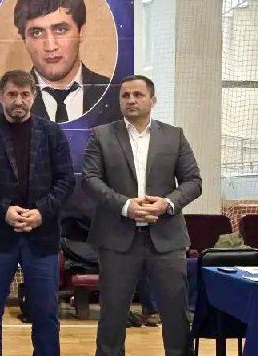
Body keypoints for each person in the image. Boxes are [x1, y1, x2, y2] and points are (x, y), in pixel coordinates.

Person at [82, 75, 202, 356]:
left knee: (176, 314)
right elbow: (89, 180)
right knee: (112, 316)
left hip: (167, 238)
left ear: (152, 100)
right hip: (116, 239)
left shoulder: (174, 136)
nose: (131, 100)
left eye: (138, 95)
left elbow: (193, 182)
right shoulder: (101, 135)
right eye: (125, 95)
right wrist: (126, 206)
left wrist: (167, 203)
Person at [0, 70, 75, 356]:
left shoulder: (52, 133)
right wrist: (4, 211)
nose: (18, 101)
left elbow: (66, 180)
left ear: (34, 96)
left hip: (42, 237)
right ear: (0, 96)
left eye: (25, 94)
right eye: (12, 94)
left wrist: (41, 213)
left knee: (46, 313)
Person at [13, 0, 111, 123]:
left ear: (81, 32)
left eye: (60, 30)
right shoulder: (8, 103)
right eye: (37, 33)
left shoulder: (112, 92)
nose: (50, 46)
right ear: (24, 40)